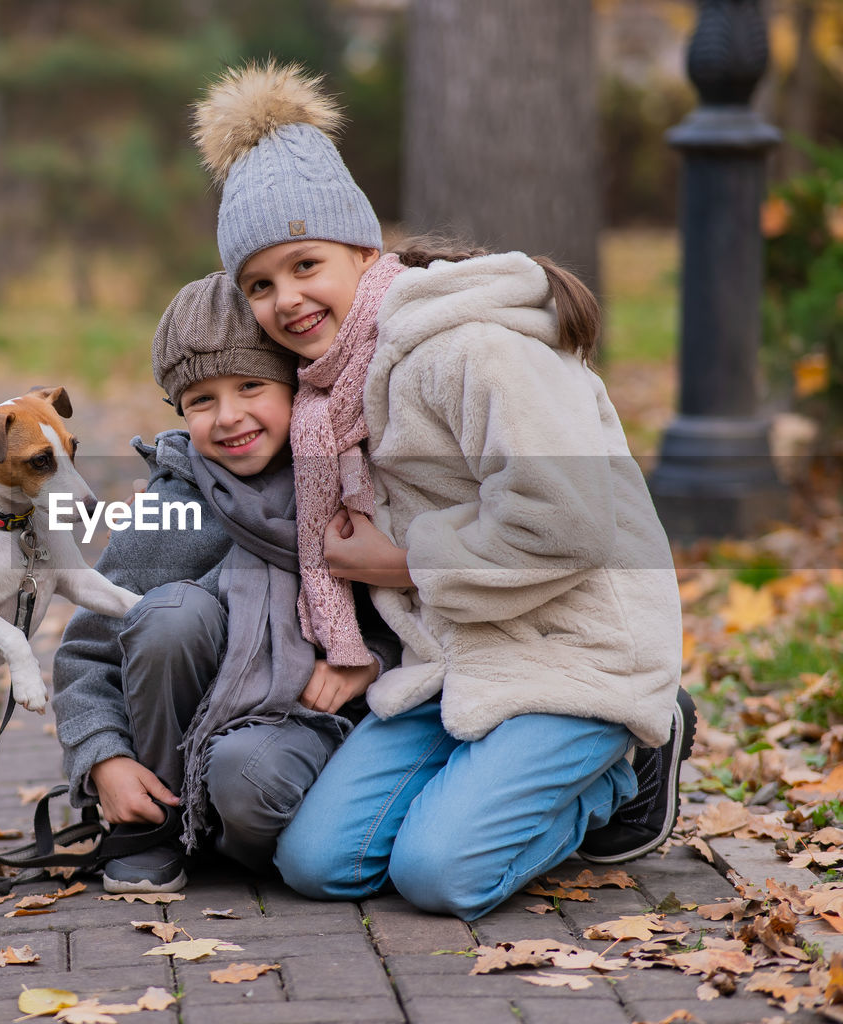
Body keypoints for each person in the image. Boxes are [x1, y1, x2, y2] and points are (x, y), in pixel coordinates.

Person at [190, 61, 692, 920]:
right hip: (452, 668)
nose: (287, 299)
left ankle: (626, 771)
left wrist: (405, 562)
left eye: (306, 263)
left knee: (438, 874)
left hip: (574, 655)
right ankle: (493, 780)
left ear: (362, 248)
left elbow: (569, 522)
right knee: (317, 863)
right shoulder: (328, 396)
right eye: (259, 285)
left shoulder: (472, 351)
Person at [51, 271, 399, 894]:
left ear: (297, 385)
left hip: (295, 725)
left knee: (243, 776)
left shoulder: (348, 484)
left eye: (250, 386)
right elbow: (87, 652)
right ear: (180, 412)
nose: (229, 416)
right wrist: (104, 758)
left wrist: (368, 659)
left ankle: (233, 833)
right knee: (171, 615)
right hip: (176, 738)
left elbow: (407, 618)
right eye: (201, 400)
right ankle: (154, 826)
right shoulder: (175, 501)